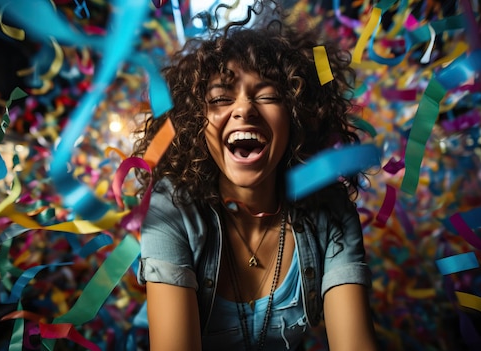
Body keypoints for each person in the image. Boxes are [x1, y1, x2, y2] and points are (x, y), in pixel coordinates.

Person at [132, 2, 378, 350]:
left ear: (297, 117)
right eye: (220, 98)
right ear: (196, 124)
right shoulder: (170, 207)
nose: (244, 108)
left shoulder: (331, 210)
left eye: (268, 96)